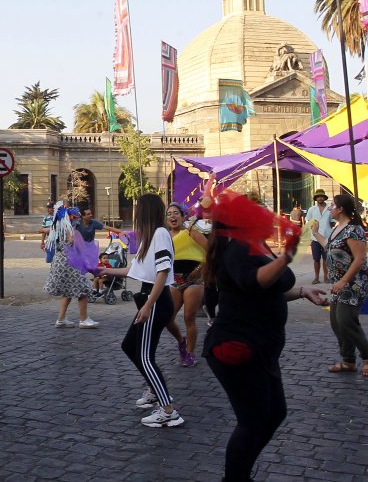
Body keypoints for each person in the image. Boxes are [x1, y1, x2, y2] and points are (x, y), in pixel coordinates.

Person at [201, 191, 327, 480]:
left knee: (274, 413)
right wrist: (286, 258)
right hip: (237, 348)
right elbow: (253, 281)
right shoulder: (238, 250)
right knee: (252, 421)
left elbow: (268, 291)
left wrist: (301, 291)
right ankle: (235, 478)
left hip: (262, 347)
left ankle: (240, 472)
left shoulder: (256, 247)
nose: (263, 215)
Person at [99, 194, 183, 427]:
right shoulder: (151, 238)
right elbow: (134, 270)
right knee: (129, 346)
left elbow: (163, 273)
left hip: (155, 301)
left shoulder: (160, 234)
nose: (135, 214)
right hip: (150, 299)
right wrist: (103, 271)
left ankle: (168, 410)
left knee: (145, 357)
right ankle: (155, 391)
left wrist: (147, 306)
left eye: (138, 210)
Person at [311, 193, 368, 377]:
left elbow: (360, 259)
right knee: (336, 322)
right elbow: (329, 247)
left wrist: (343, 280)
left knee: (347, 321)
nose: (330, 208)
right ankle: (348, 360)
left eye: (333, 206)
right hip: (339, 284)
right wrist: (316, 233)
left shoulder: (354, 230)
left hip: (354, 283)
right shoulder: (337, 228)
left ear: (341, 210)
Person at [162, 203, 208, 368]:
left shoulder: (191, 233)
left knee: (189, 317)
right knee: (167, 318)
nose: (172, 216)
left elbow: (211, 251)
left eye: (176, 213)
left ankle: (189, 353)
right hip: (174, 280)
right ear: (166, 219)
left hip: (193, 280)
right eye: (169, 214)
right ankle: (181, 341)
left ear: (182, 217)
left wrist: (199, 269)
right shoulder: (164, 236)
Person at [43, 203, 98, 329]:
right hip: (69, 263)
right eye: (74, 216)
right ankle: (84, 320)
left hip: (59, 262)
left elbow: (45, 231)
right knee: (83, 289)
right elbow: (74, 242)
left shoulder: (57, 227)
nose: (77, 218)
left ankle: (61, 320)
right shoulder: (68, 229)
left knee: (67, 291)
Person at [304, 190, 333, 284]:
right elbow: (308, 220)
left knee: (326, 258)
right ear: (316, 198)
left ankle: (326, 277)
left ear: (324, 198)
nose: (320, 198)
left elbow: (333, 221)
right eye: (318, 196)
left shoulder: (329, 208)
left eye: (321, 196)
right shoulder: (312, 209)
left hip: (326, 237)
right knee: (316, 259)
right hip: (315, 238)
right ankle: (316, 277)